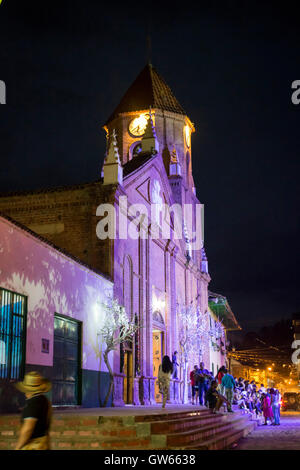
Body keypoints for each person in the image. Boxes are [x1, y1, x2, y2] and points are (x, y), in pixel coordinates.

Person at [14, 371, 52, 450]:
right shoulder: (44, 400)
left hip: (33, 445)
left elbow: (28, 429)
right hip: (44, 443)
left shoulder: (33, 403)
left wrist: (18, 447)